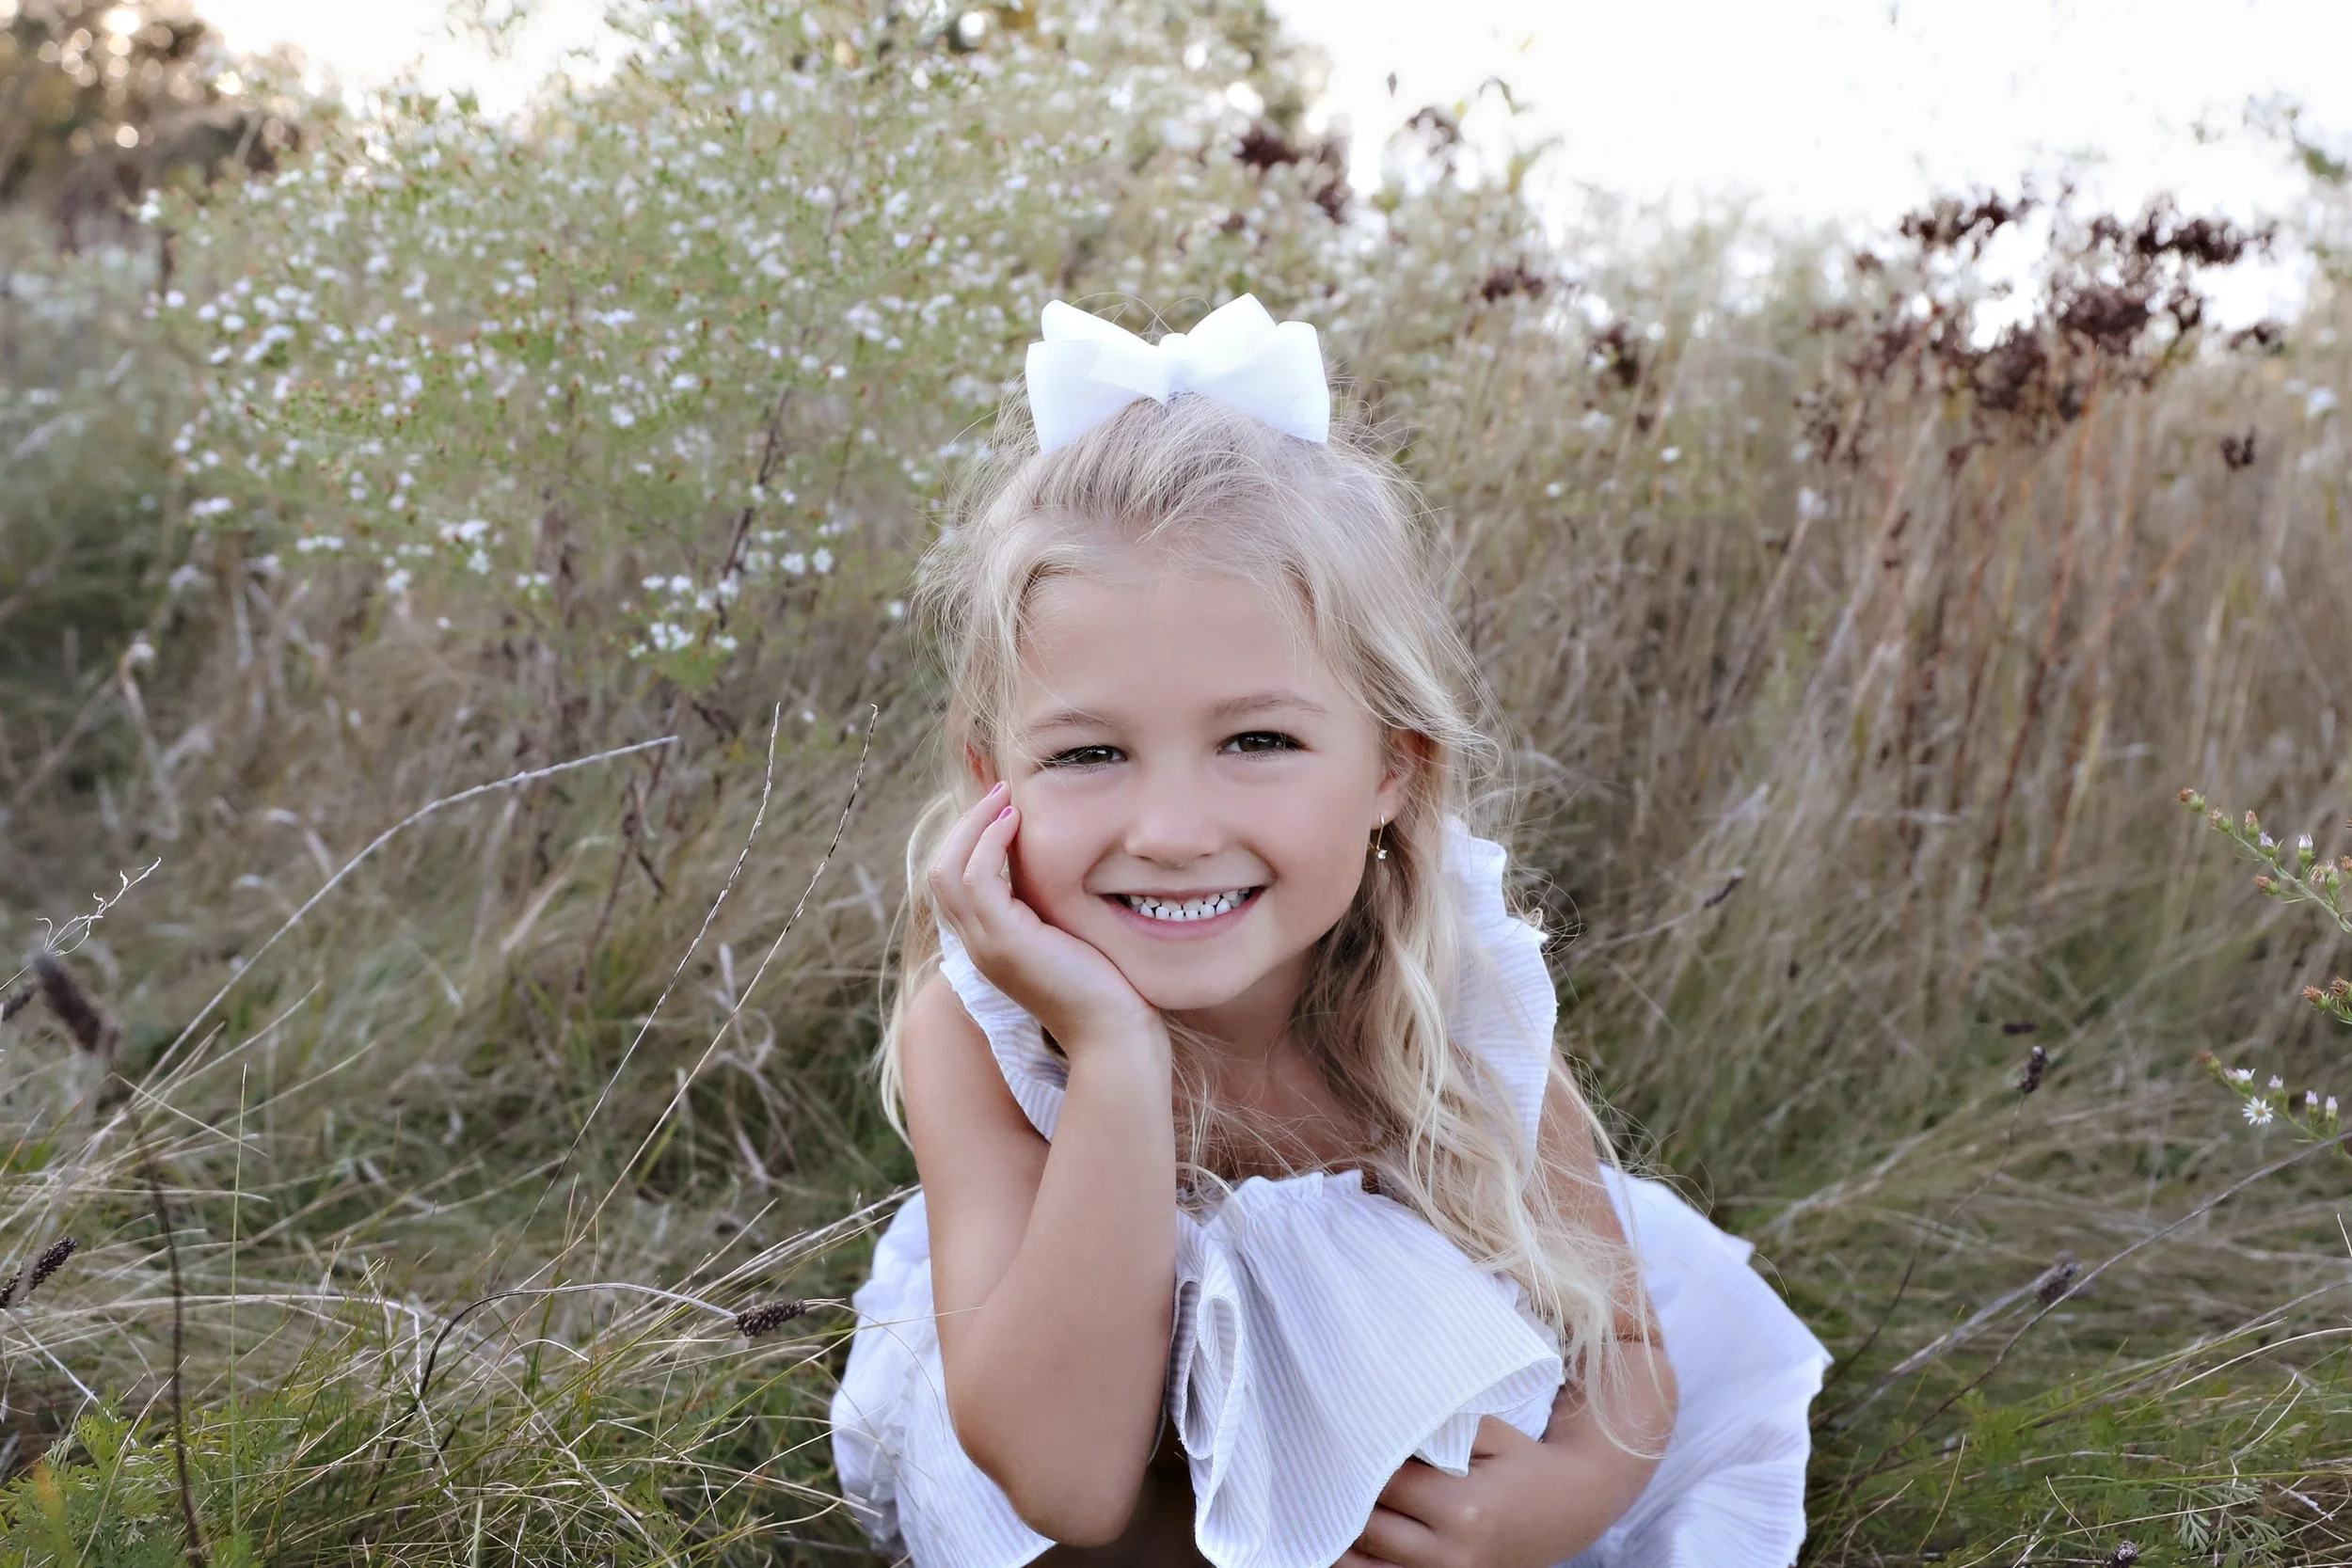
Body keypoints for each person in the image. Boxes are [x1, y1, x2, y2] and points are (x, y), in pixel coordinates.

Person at [829, 295, 1832, 1568]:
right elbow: (1069, 1488)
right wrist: (1114, 1052)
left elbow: (1629, 1350)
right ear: (993, 783)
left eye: (1259, 741)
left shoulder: (1447, 990)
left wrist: (1561, 1498)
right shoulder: (983, 1036)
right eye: (1089, 752)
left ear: (1389, 769)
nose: (1175, 826)